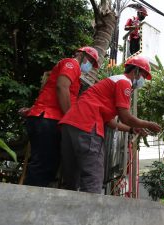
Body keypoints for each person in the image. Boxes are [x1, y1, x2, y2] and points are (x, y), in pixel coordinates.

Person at [59, 55, 161, 194]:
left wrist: (132, 129)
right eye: (144, 75)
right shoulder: (124, 82)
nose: (143, 80)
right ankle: (89, 214)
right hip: (87, 126)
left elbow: (111, 122)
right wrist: (148, 124)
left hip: (70, 124)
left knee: (71, 177)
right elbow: (125, 117)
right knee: (92, 177)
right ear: (136, 71)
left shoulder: (112, 82)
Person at [22, 46, 99, 187]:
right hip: (47, 119)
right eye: (90, 60)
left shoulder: (73, 70)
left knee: (47, 165)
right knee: (43, 166)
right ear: (81, 54)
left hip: (45, 118)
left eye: (93, 63)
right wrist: (70, 117)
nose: (90, 65)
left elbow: (50, 94)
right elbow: (61, 87)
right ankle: (27, 205)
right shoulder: (72, 64)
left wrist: (31, 110)